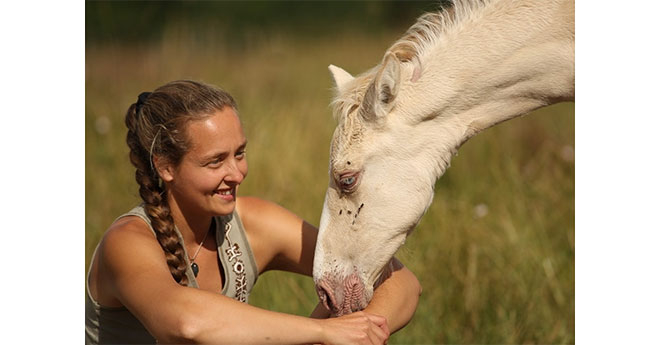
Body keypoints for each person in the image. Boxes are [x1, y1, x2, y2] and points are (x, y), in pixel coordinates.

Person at [85, 80, 421, 344]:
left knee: (351, 301)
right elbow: (186, 323)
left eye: (240, 153)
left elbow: (401, 282)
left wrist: (357, 331)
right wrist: (324, 332)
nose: (237, 173)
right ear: (166, 167)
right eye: (215, 161)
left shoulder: (253, 222)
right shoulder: (127, 242)